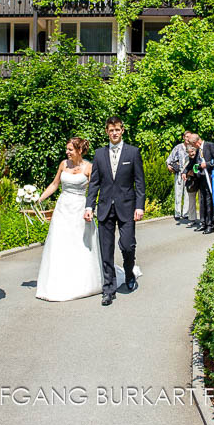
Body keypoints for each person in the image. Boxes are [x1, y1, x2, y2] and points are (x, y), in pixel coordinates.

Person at [85, 117, 146, 307]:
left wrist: (139, 205)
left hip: (127, 207)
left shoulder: (133, 152)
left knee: (127, 246)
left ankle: (129, 273)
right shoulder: (99, 154)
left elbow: (140, 183)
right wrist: (89, 206)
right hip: (105, 208)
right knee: (106, 250)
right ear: (106, 131)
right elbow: (94, 183)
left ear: (122, 131)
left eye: (117, 130)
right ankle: (108, 289)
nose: (114, 133)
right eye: (111, 130)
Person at [34, 138, 102, 301]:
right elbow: (54, 184)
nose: (67, 152)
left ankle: (81, 281)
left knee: (79, 243)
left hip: (79, 208)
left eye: (70, 149)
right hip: (62, 208)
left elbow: (94, 190)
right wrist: (38, 199)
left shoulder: (89, 167)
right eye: (67, 149)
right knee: (59, 242)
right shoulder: (63, 164)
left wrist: (90, 208)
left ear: (79, 150)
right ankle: (57, 281)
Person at [187, 132, 214, 234]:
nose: (192, 147)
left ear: (196, 142)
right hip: (202, 178)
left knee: (209, 201)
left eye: (192, 144)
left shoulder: (210, 145)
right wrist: (186, 171)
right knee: (202, 200)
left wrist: (206, 164)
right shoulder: (199, 150)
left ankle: (210, 224)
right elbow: (194, 162)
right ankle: (203, 223)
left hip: (212, 177)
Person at [165, 132, 193, 223]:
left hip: (189, 174)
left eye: (189, 137)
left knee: (187, 194)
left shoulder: (193, 147)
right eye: (186, 136)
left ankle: (185, 213)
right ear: (183, 137)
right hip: (179, 173)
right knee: (178, 193)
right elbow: (169, 159)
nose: (187, 138)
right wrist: (169, 166)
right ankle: (177, 213)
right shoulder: (178, 148)